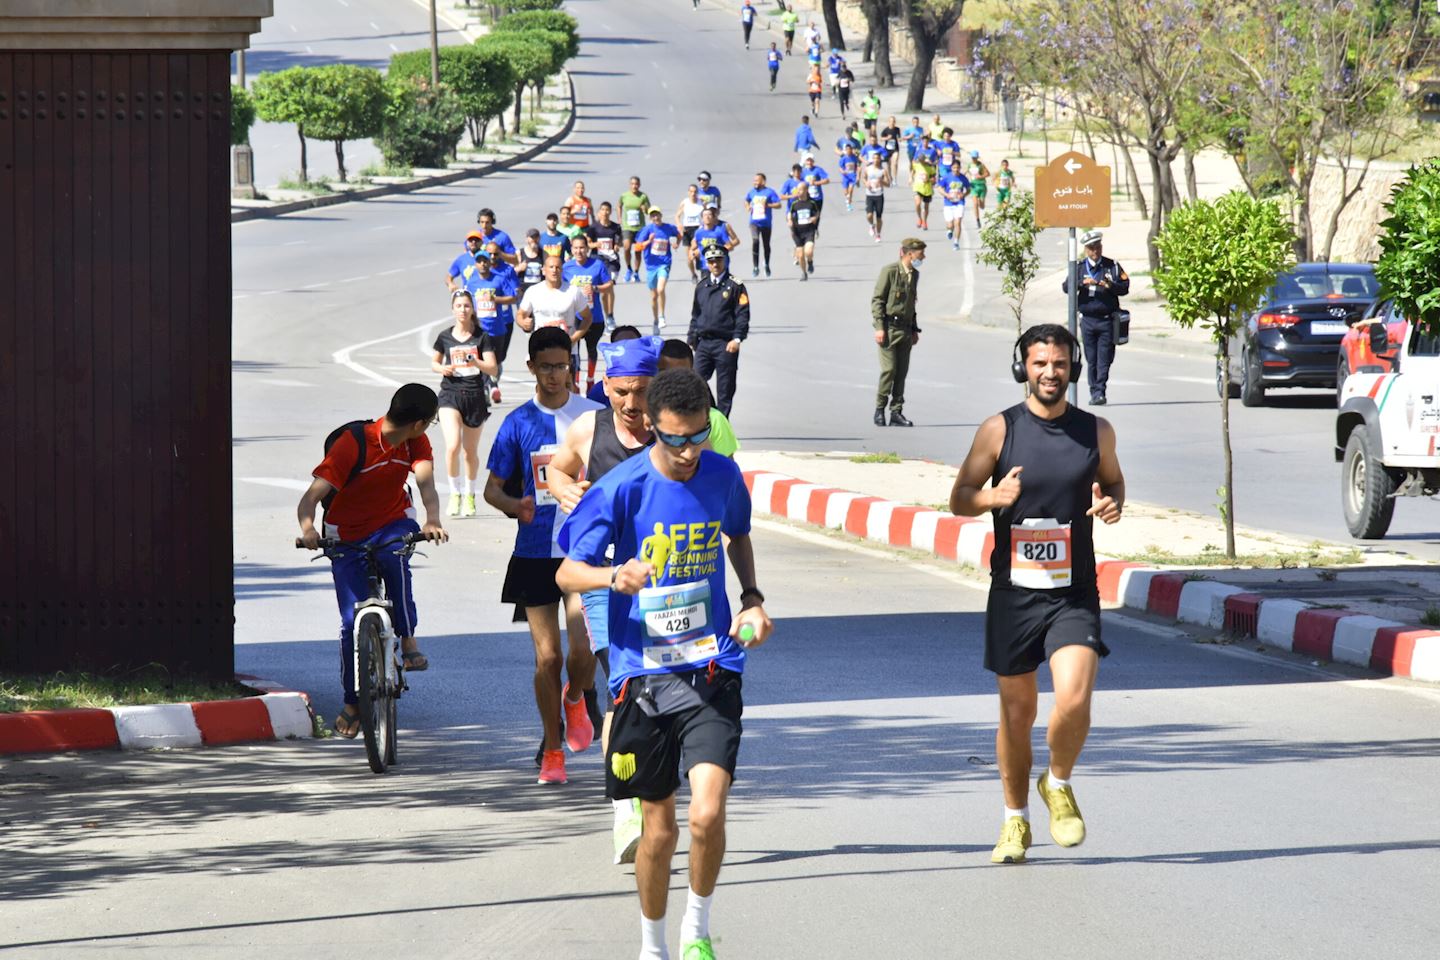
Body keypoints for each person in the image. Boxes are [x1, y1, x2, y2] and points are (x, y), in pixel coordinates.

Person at [555, 367, 772, 960]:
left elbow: (739, 535)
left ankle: (696, 930)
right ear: (651, 426)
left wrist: (752, 598)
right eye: (673, 439)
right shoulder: (620, 487)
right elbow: (566, 571)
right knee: (659, 830)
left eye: (697, 437)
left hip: (711, 668)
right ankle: (652, 946)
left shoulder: (722, 474)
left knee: (707, 815)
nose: (686, 452)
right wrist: (611, 575)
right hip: (641, 677)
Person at [947, 322, 1125, 866]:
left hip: (1073, 592)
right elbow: (958, 498)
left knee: (1073, 697)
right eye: (1040, 363)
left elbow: (1115, 483)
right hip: (1014, 594)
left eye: (1061, 364)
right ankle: (1014, 821)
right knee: (1017, 712)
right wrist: (991, 497)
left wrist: (1112, 504)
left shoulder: (1096, 431)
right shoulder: (999, 430)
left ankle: (1060, 781)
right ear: (1023, 365)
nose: (1051, 373)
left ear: (1074, 367)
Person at [544, 336, 666, 865]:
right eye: (621, 393)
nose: (633, 406)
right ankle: (626, 809)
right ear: (606, 387)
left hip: (664, 577)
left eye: (641, 392)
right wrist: (561, 489)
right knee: (622, 685)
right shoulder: (589, 428)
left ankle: (649, 780)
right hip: (600, 575)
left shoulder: (674, 427)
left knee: (658, 690)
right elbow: (556, 467)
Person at [484, 326, 603, 785]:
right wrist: (517, 506)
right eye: (547, 367)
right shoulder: (517, 423)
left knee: (581, 648)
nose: (556, 375)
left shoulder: (594, 416)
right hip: (534, 553)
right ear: (531, 367)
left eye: (563, 365)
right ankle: (553, 750)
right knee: (547, 658)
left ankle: (576, 697)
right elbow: (493, 489)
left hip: (584, 550)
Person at [295, 383, 447, 739]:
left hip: (391, 522)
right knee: (351, 622)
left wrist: (432, 519)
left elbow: (426, 486)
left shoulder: (415, 443)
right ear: (421, 422)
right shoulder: (355, 444)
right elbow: (310, 499)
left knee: (395, 561)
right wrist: (307, 530)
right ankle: (352, 702)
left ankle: (408, 642)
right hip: (344, 531)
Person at [1061, 230, 1129, 405]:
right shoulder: (1079, 267)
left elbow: (1125, 287)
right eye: (1091, 248)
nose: (1095, 251)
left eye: (1097, 247)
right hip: (1088, 320)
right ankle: (1094, 391)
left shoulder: (1111, 266)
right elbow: (1066, 287)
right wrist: (1081, 283)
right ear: (1086, 250)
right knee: (1091, 358)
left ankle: (1100, 391)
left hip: (1107, 320)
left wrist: (1110, 285)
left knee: (1104, 358)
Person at [689, 246, 751, 417]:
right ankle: (708, 416)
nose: (715, 264)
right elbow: (696, 314)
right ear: (706, 263)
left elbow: (742, 314)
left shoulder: (735, 285)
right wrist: (691, 338)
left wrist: (737, 339)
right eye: (711, 261)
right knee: (695, 382)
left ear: (724, 260)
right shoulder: (702, 286)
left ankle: (722, 423)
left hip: (725, 343)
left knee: (725, 388)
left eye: (718, 260)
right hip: (704, 343)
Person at [871, 238, 926, 427]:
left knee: (901, 373)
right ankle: (879, 409)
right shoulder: (890, 271)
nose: (923, 257)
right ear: (910, 253)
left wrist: (914, 329)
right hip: (889, 329)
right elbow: (878, 300)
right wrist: (879, 327)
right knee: (889, 370)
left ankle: (896, 412)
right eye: (920, 254)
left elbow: (911, 304)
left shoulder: (915, 275)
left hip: (905, 329)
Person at [658, 340, 740, 458]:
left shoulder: (714, 420)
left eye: (680, 375)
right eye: (664, 374)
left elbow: (726, 472)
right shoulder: (641, 417)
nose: (672, 383)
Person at [517, 255, 593, 382]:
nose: (554, 270)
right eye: (551, 267)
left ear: (562, 270)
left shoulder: (573, 291)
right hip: (542, 348)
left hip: (567, 349)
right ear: (543, 270)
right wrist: (523, 322)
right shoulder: (533, 291)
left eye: (558, 267)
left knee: (568, 389)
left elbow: (588, 318)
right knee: (544, 388)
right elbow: (520, 314)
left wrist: (574, 338)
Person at [457, 248, 517, 406]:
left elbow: (513, 297)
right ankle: (487, 388)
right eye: (479, 261)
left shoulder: (499, 279)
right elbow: (466, 301)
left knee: (497, 361)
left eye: (485, 261)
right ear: (475, 264)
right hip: (480, 329)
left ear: (489, 263)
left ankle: (493, 383)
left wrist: (495, 299)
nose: (483, 264)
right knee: (482, 359)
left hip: (497, 328)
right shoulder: (471, 281)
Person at [563, 234, 616, 393]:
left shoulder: (597, 265)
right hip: (575, 317)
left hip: (595, 317)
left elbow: (609, 285)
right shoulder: (566, 268)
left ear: (587, 248)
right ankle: (576, 381)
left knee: (591, 349)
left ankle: (591, 379)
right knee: (574, 351)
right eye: (576, 248)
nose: (579, 251)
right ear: (571, 249)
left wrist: (594, 288)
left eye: (582, 248)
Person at [635, 207, 681, 333]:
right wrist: (648, 241)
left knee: (661, 289)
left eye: (657, 215)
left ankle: (662, 316)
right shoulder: (647, 230)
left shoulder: (668, 228)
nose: (656, 218)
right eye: (653, 216)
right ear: (650, 218)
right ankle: (655, 320)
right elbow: (637, 247)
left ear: (661, 215)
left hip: (664, 264)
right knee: (654, 296)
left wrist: (677, 243)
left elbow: (678, 234)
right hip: (651, 267)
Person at [587, 325, 644, 406]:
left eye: (632, 345)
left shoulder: (654, 385)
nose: (626, 350)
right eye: (620, 346)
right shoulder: (599, 391)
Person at [588, 202, 625, 320]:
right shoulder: (593, 228)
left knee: (609, 287)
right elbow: (588, 244)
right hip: (597, 260)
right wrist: (596, 244)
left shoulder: (616, 227)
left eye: (607, 210)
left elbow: (620, 242)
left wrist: (617, 246)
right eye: (602, 209)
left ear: (610, 212)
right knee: (602, 291)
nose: (605, 212)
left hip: (612, 261)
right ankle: (605, 315)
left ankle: (610, 315)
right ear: (599, 212)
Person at [744, 172, 782, 278]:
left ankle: (766, 264)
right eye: (754, 180)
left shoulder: (769, 192)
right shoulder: (751, 192)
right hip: (754, 222)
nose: (755, 182)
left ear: (763, 181)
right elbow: (746, 201)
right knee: (755, 241)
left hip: (766, 223)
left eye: (757, 180)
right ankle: (755, 267)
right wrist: (747, 207)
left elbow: (779, 204)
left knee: (766, 245)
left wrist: (768, 205)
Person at [619, 177, 653, 283]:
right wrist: (620, 218)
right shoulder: (624, 196)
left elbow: (649, 211)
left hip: (640, 227)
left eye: (636, 184)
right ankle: (629, 269)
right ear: (630, 185)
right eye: (632, 184)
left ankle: (636, 272)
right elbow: (619, 205)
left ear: (639, 185)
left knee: (638, 250)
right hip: (627, 227)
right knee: (627, 247)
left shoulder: (643, 196)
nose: (634, 186)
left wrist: (645, 209)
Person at [689, 206, 740, 275]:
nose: (707, 217)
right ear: (702, 218)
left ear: (713, 218)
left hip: (720, 264)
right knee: (706, 285)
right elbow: (693, 247)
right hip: (705, 265)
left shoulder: (720, 231)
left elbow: (730, 246)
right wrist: (693, 254)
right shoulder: (698, 233)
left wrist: (719, 251)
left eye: (709, 215)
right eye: (705, 215)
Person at [788, 183, 820, 279]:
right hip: (797, 232)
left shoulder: (812, 203)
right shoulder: (794, 203)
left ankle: (810, 262)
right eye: (797, 190)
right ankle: (804, 273)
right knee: (801, 255)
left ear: (806, 190)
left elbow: (817, 212)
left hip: (809, 231)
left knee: (808, 251)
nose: (798, 192)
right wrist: (789, 221)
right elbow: (790, 214)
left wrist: (814, 218)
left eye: (800, 190)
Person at [937, 161, 972, 250]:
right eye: (954, 168)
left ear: (960, 168)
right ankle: (949, 230)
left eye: (957, 168)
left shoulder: (963, 178)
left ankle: (956, 242)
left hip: (960, 203)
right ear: (951, 168)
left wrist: (963, 195)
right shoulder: (946, 177)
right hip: (948, 203)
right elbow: (939, 188)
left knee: (958, 222)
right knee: (950, 225)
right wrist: (946, 195)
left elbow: (968, 189)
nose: (956, 170)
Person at [675, 184, 706, 282]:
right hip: (687, 230)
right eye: (691, 191)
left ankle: (703, 272)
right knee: (689, 256)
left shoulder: (701, 203)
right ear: (688, 192)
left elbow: (706, 215)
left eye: (695, 192)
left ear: (697, 192)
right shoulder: (685, 202)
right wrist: (679, 225)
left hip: (698, 229)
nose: (693, 194)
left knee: (699, 253)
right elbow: (677, 216)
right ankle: (693, 274)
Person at [862, 149, 890, 243]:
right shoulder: (868, 169)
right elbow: (864, 178)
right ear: (872, 159)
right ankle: (871, 225)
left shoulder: (883, 171)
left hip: (879, 195)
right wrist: (866, 184)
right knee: (869, 215)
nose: (876, 160)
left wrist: (881, 181)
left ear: (880, 159)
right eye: (874, 158)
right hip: (869, 194)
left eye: (877, 158)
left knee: (879, 217)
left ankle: (878, 234)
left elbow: (888, 184)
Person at [517, 228, 547, 301]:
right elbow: (511, 272)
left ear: (539, 238)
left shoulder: (544, 254)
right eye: (531, 237)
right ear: (527, 239)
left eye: (536, 237)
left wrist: (546, 271)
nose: (534, 240)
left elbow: (548, 272)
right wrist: (519, 269)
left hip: (539, 292)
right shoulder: (520, 253)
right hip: (523, 292)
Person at [911, 150, 936, 230]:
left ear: (924, 159)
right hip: (917, 187)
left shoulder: (930, 168)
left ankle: (925, 221)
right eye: (919, 159)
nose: (920, 161)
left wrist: (928, 180)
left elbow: (934, 179)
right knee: (917, 204)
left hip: (927, 189)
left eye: (922, 159)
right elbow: (912, 168)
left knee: (926, 207)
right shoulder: (916, 165)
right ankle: (919, 218)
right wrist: (910, 177)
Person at [967, 150, 991, 230]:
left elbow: (988, 173)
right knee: (975, 204)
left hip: (982, 186)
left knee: (982, 206)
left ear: (977, 157)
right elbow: (966, 172)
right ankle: (977, 220)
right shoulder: (969, 165)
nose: (973, 159)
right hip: (974, 186)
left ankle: (982, 203)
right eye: (972, 157)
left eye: (975, 157)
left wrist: (980, 176)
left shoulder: (981, 165)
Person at [837, 142, 860, 213]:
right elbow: (840, 168)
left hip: (852, 176)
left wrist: (858, 176)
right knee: (846, 192)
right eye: (847, 150)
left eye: (850, 149)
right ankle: (847, 199)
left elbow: (858, 166)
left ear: (851, 150)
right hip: (845, 177)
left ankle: (849, 205)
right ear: (845, 150)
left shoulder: (854, 158)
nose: (848, 151)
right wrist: (842, 171)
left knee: (850, 191)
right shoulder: (843, 159)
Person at [901, 115, 925, 181]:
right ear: (912, 122)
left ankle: (915, 174)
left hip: (918, 148)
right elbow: (902, 138)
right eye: (914, 122)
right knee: (911, 162)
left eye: (917, 122)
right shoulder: (908, 129)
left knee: (917, 162)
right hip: (911, 147)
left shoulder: (921, 129)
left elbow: (922, 138)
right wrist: (909, 136)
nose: (916, 123)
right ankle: (910, 175)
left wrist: (922, 137)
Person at [880, 116, 903, 180]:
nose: (892, 123)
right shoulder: (886, 130)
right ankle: (890, 177)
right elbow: (881, 139)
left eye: (893, 121)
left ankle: (895, 179)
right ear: (889, 122)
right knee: (889, 165)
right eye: (891, 121)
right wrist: (887, 138)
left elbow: (899, 137)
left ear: (895, 122)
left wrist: (900, 139)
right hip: (887, 149)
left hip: (895, 149)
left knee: (895, 163)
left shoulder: (897, 129)